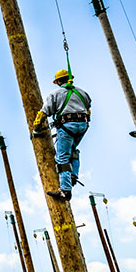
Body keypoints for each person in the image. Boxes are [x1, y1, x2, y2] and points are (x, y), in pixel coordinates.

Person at [32, 69, 92, 201]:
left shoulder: (55, 94)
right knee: (73, 150)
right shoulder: (83, 93)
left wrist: (36, 129)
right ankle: (73, 175)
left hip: (66, 126)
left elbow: (43, 113)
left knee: (62, 158)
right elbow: (88, 110)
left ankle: (65, 190)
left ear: (58, 82)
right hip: (83, 126)